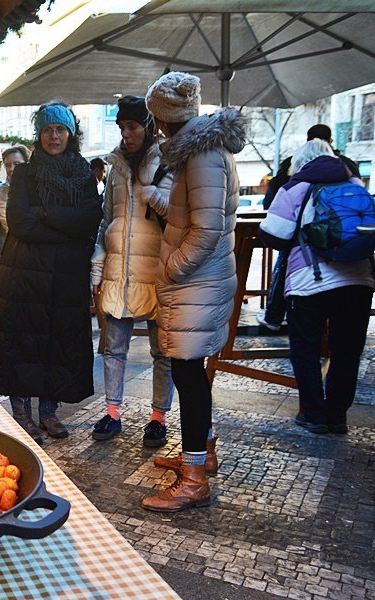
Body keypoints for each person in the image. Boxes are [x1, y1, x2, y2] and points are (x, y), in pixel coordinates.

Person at [139, 72, 245, 513]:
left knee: (187, 373)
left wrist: (171, 266)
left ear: (165, 118)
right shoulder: (200, 151)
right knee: (191, 372)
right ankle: (202, 452)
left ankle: (195, 478)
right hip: (198, 283)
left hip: (195, 282)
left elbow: (205, 230)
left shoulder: (202, 155)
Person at [0, 102, 102, 442]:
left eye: (60, 130)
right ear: (39, 134)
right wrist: (64, 224)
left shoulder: (81, 172)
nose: (53, 136)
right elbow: (20, 223)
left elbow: (89, 219)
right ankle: (22, 413)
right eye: (47, 130)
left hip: (64, 275)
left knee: (57, 343)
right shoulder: (25, 174)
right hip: (25, 272)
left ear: (70, 133)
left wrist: (46, 214)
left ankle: (48, 412)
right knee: (22, 343)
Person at [258, 139, 374, 435]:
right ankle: (337, 416)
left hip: (310, 283)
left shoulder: (297, 188)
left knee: (305, 348)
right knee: (347, 351)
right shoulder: (355, 184)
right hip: (358, 281)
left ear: (300, 163)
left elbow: (272, 235)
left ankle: (314, 415)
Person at [90, 95, 175, 447]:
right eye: (122, 127)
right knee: (113, 348)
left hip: (157, 272)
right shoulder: (115, 167)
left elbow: (177, 215)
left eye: (133, 126)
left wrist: (152, 192)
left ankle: (158, 417)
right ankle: (112, 413)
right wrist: (97, 265)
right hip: (119, 270)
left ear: (149, 126)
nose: (127, 134)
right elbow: (106, 219)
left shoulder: (169, 161)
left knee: (163, 351)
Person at [257, 123, 361, 331]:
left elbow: (273, 230)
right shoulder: (349, 169)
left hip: (307, 272)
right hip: (358, 270)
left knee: (288, 254)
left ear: (307, 139)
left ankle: (274, 316)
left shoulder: (293, 166)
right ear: (331, 142)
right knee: (347, 352)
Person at [0, 146, 31, 270]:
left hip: (32, 260)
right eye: (8, 165)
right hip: (6, 260)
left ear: (27, 164)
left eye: (17, 164)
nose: (11, 169)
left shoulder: (38, 190)